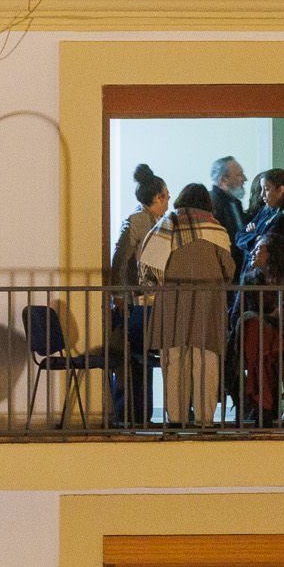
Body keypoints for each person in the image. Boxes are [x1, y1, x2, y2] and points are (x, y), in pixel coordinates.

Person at [137, 182, 235, 427]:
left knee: (173, 360)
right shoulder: (216, 230)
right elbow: (229, 269)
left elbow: (148, 267)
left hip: (172, 301)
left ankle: (175, 419)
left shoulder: (166, 225)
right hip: (208, 302)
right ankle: (205, 420)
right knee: (206, 360)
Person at [107, 164, 167, 427]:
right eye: (165, 195)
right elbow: (120, 260)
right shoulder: (138, 221)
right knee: (134, 357)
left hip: (146, 300)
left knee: (140, 356)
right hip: (136, 301)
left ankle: (141, 413)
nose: (168, 200)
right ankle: (132, 413)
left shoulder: (154, 221)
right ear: (157, 197)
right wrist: (119, 296)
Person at [230, 237, 284, 426]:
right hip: (254, 338)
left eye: (259, 249)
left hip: (282, 335)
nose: (253, 253)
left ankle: (261, 405)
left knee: (263, 347)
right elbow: (236, 314)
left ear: (272, 253)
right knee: (255, 329)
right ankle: (265, 406)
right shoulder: (249, 279)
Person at [234, 168, 284, 282]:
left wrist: (253, 235)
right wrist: (257, 237)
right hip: (252, 273)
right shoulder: (265, 211)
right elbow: (239, 236)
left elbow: (269, 245)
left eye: (266, 189)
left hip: (270, 278)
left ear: (281, 190)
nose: (262, 194)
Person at [207, 156, 248, 242]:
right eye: (239, 175)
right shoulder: (210, 203)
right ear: (223, 180)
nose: (245, 179)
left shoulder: (236, 202)